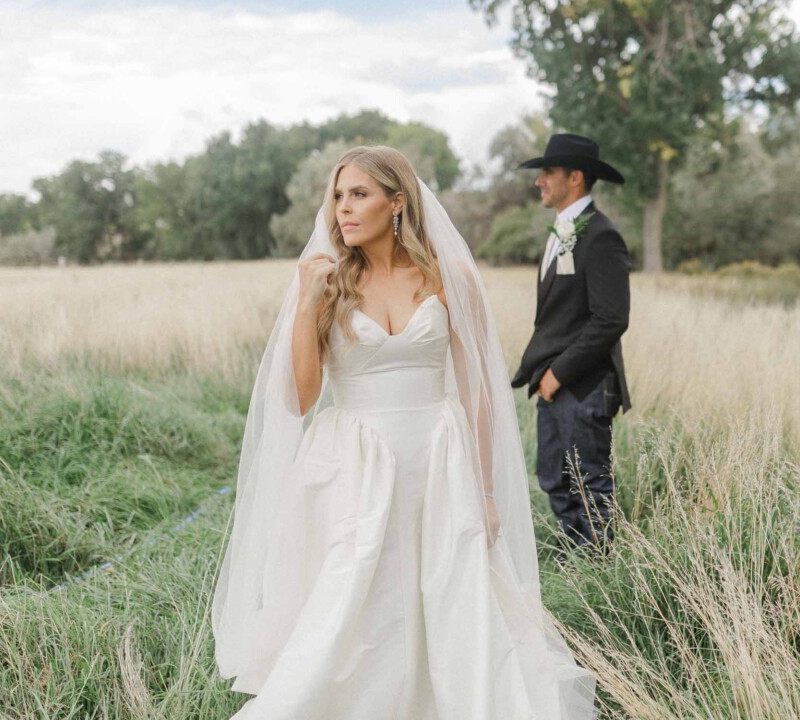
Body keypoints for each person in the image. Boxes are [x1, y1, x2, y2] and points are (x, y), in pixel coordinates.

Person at [212, 145, 595, 719]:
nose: (343, 207)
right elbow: (300, 398)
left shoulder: (449, 276)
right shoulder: (328, 282)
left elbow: (478, 394)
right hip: (354, 462)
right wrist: (305, 305)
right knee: (356, 594)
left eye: (359, 194)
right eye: (338, 195)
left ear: (397, 202)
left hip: (439, 458)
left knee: (449, 592)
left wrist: (486, 492)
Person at [511, 133, 632, 553]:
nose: (540, 180)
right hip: (556, 383)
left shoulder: (600, 236)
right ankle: (576, 568)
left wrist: (558, 375)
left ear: (575, 177)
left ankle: (600, 580)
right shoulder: (564, 230)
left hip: (584, 386)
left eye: (548, 172)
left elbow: (611, 319)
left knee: (589, 487)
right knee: (556, 481)